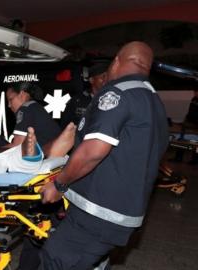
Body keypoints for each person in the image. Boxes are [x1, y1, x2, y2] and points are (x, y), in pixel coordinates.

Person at [21, 41, 169, 270]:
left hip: (97, 214)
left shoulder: (117, 92)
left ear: (117, 61)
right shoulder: (154, 102)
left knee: (56, 260)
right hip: (125, 213)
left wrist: (59, 185)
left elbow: (94, 150)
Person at [5, 82, 62, 155]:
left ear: (22, 94)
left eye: (11, 99)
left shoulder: (25, 109)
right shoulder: (35, 107)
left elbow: (17, 147)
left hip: (44, 159)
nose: (9, 105)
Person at [61, 61, 110, 127]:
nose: (106, 80)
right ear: (91, 80)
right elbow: (65, 125)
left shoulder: (115, 99)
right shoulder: (77, 100)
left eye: (108, 77)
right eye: (103, 77)